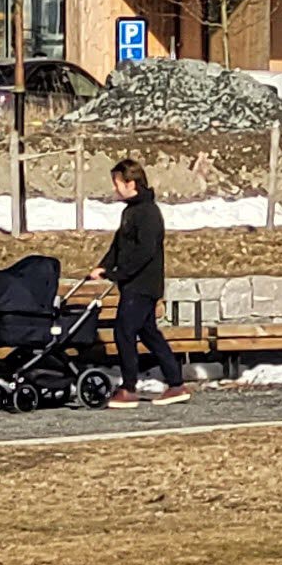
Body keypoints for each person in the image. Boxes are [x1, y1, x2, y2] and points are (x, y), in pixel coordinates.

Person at [98, 157, 188, 405]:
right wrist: (103, 267)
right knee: (149, 334)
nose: (115, 188)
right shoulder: (131, 211)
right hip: (133, 284)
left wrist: (119, 274)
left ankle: (128, 388)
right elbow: (119, 246)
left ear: (131, 183)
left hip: (142, 284)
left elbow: (144, 252)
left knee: (124, 332)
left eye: (117, 183)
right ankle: (176, 383)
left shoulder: (148, 213)